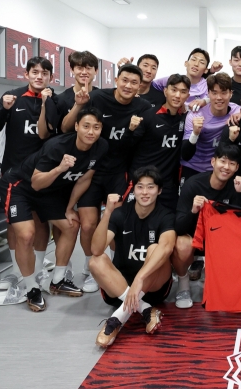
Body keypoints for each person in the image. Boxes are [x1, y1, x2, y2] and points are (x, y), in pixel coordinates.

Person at [0, 107, 108, 311]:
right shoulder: (57, 146)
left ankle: (57, 279)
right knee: (27, 235)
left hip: (49, 192)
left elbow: (85, 178)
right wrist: (60, 168)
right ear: (76, 127)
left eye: (96, 127)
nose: (91, 132)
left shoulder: (101, 147)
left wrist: (68, 208)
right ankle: (31, 289)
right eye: (86, 126)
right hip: (21, 187)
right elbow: (36, 183)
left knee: (71, 225)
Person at [63, 64, 153, 291]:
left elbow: (140, 140)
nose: (128, 86)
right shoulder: (97, 97)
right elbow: (69, 127)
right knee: (89, 223)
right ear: (116, 79)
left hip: (119, 172)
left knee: (115, 222)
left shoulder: (142, 107)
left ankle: (114, 265)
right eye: (125, 80)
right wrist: (79, 103)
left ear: (139, 86)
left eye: (134, 83)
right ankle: (90, 266)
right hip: (91, 170)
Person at [0, 56, 59, 292]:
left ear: (51, 77)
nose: (40, 76)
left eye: (45, 73)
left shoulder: (54, 100)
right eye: (35, 72)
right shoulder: (12, 97)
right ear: (27, 74)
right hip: (13, 173)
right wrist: (3, 108)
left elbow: (54, 132)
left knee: (41, 223)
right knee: (15, 225)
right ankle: (15, 271)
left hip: (42, 173)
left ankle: (37, 269)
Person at [90, 166, 176, 347]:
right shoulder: (121, 213)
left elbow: (167, 247)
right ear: (133, 189)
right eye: (140, 187)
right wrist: (107, 213)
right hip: (119, 288)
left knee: (156, 249)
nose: (145, 192)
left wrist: (140, 279)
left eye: (150, 187)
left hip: (152, 288)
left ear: (159, 190)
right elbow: (96, 249)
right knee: (95, 260)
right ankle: (145, 309)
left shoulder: (166, 215)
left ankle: (116, 319)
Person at [173, 143, 241, 309]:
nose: (226, 167)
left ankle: (219, 281)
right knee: (181, 244)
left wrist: (239, 195)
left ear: (237, 168)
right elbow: (178, 226)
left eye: (232, 164)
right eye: (223, 161)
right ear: (213, 162)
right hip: (195, 238)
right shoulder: (193, 184)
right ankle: (183, 286)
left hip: (221, 240)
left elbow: (239, 226)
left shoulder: (236, 186)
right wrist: (193, 210)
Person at [126, 74, 191, 210]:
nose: (178, 95)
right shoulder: (148, 116)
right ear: (165, 91)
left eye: (183, 92)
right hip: (143, 180)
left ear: (188, 95)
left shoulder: (187, 119)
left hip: (168, 185)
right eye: (174, 90)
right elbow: (128, 146)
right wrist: (130, 130)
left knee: (168, 225)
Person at [181, 72, 241, 185]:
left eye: (224, 93)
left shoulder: (237, 111)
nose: (219, 97)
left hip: (221, 170)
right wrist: (195, 133)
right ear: (208, 93)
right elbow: (186, 155)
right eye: (214, 93)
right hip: (193, 167)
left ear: (231, 94)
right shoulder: (195, 115)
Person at [153, 48, 222, 111]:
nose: (196, 64)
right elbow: (150, 85)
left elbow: (220, 99)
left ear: (206, 70)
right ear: (186, 63)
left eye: (202, 62)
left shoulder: (208, 85)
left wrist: (205, 101)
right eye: (193, 59)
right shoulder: (172, 80)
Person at [57, 51, 99, 130]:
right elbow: (64, 129)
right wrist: (78, 105)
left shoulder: (101, 97)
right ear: (72, 70)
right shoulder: (61, 99)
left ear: (96, 71)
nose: (84, 72)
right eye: (79, 68)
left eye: (88, 68)